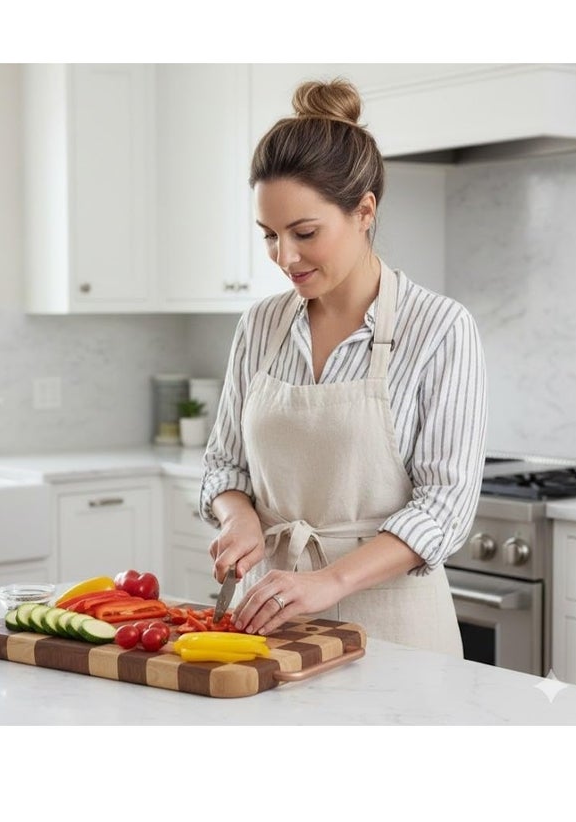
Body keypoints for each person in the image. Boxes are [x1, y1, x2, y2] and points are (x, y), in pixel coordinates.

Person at [200, 78, 487, 655]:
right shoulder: (260, 326)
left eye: (305, 233)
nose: (286, 257)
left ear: (364, 211)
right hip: (271, 624)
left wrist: (330, 581)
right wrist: (239, 519)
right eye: (270, 236)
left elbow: (445, 507)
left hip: (396, 632)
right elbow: (224, 465)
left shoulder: (439, 328)